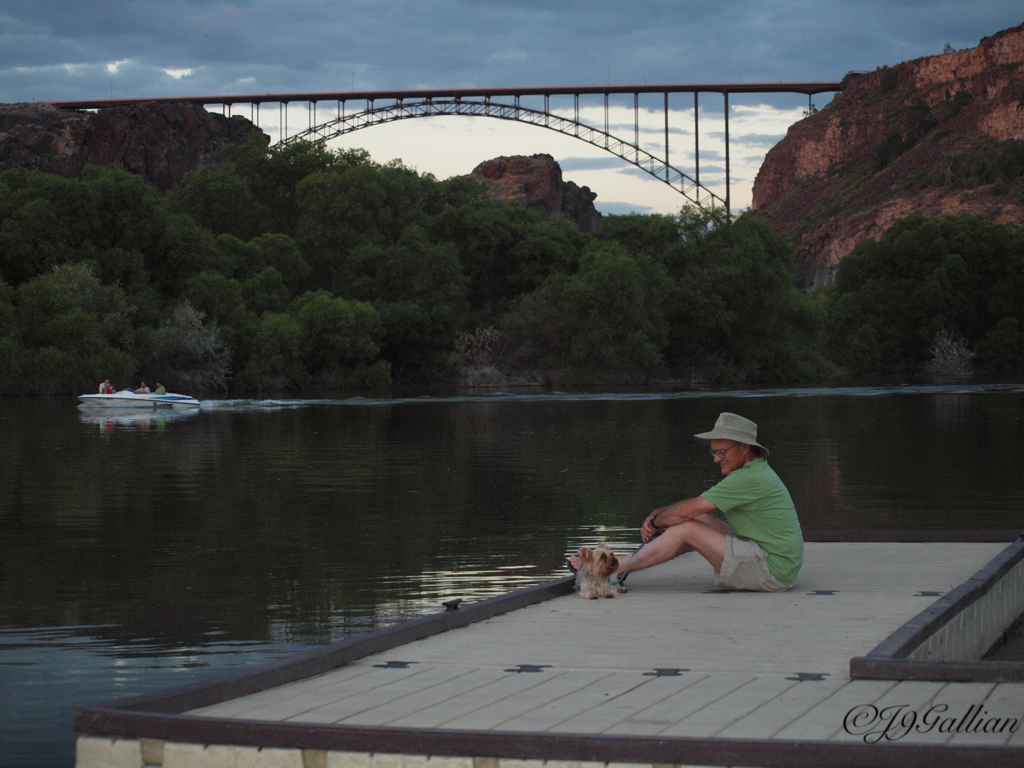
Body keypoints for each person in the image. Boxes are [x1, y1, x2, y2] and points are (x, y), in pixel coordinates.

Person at [571, 412, 803, 592]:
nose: (716, 459)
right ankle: (617, 565)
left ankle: (611, 568)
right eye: (714, 452)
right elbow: (692, 510)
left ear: (744, 448)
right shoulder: (754, 471)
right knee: (696, 518)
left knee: (687, 526)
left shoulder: (748, 478)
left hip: (771, 572)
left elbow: (683, 513)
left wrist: (656, 521)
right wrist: (661, 514)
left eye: (722, 451)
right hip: (775, 563)